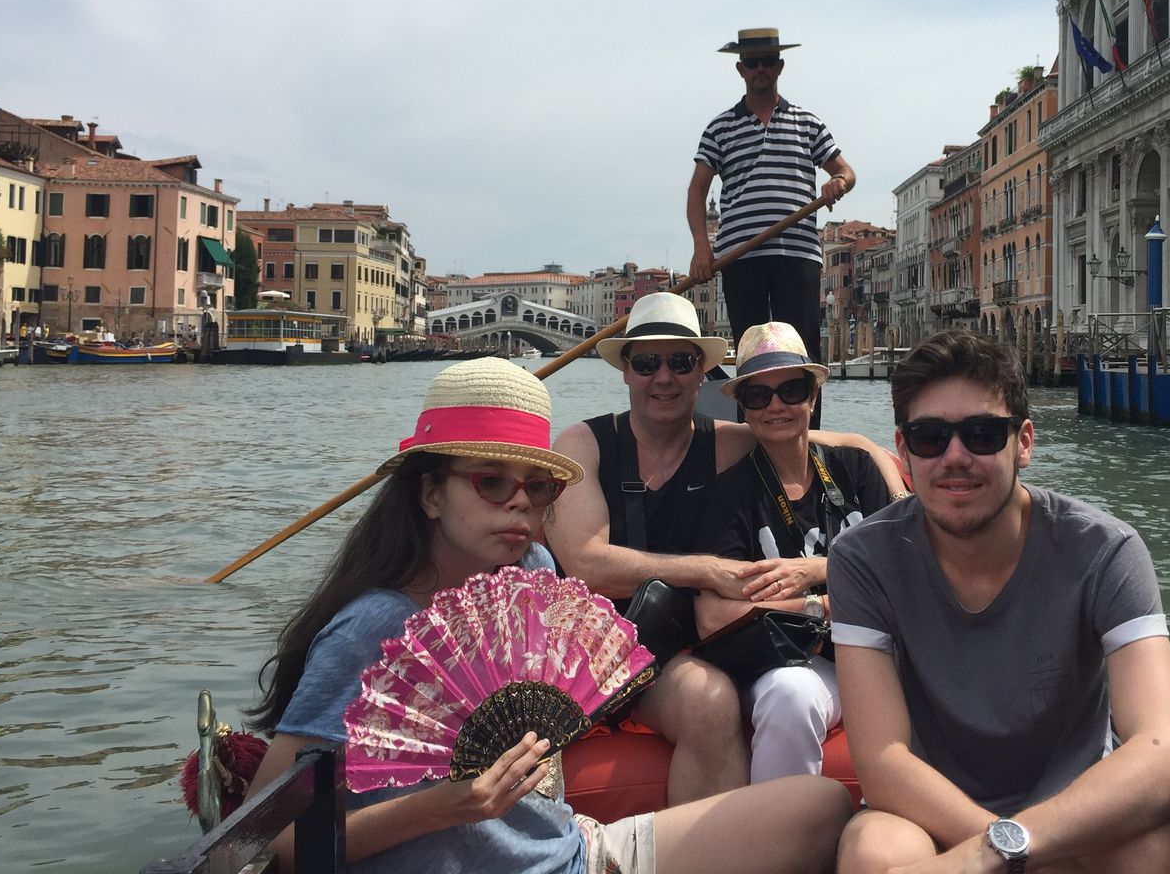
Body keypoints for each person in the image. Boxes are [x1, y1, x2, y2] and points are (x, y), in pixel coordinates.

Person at [242, 356, 853, 874]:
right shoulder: (375, 626)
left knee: (824, 807)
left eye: (538, 489)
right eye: (490, 482)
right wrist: (448, 806)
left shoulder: (532, 565)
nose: (518, 504)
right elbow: (271, 838)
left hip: (578, 850)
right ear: (430, 493)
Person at [829, 330, 1170, 874]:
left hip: (1077, 811)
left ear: (1023, 441)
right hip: (929, 815)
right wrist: (1009, 849)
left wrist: (1006, 847)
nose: (956, 457)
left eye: (981, 433)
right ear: (904, 451)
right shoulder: (862, 558)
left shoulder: (1106, 550)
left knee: (1150, 854)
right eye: (930, 437)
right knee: (876, 851)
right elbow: (884, 763)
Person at [548, 292, 906, 804]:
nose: (664, 376)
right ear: (625, 371)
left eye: (682, 361)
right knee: (711, 699)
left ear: (703, 373)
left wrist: (893, 488)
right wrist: (706, 571)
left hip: (675, 647)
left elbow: (834, 441)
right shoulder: (584, 444)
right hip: (601, 647)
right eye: (647, 362)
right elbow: (587, 564)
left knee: (718, 693)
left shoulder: (728, 441)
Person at [695, 322, 893, 783]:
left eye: (791, 389)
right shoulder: (727, 498)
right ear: (743, 407)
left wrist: (815, 570)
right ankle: (779, 840)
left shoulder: (857, 468)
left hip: (884, 649)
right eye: (759, 396)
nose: (777, 405)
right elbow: (712, 618)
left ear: (812, 396)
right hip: (799, 662)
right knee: (790, 695)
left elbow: (903, 569)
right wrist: (820, 604)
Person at [687, 27, 856, 428]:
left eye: (767, 61)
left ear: (779, 66)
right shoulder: (720, 128)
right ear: (740, 69)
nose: (760, 68)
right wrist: (701, 248)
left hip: (798, 253)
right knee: (750, 352)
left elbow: (846, 172)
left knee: (802, 352)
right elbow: (697, 191)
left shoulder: (808, 122)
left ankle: (809, 441)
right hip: (740, 255)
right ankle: (751, 436)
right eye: (752, 62)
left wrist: (838, 183)